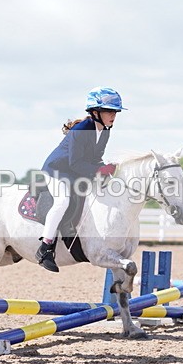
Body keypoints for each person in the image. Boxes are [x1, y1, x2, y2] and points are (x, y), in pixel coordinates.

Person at [35, 87, 125, 272]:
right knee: (62, 201)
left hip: (74, 172)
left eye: (115, 111)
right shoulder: (81, 129)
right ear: (95, 112)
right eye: (109, 111)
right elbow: (75, 162)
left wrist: (106, 167)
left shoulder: (105, 131)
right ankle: (45, 247)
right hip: (56, 171)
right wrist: (99, 169)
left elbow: (94, 158)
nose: (113, 115)